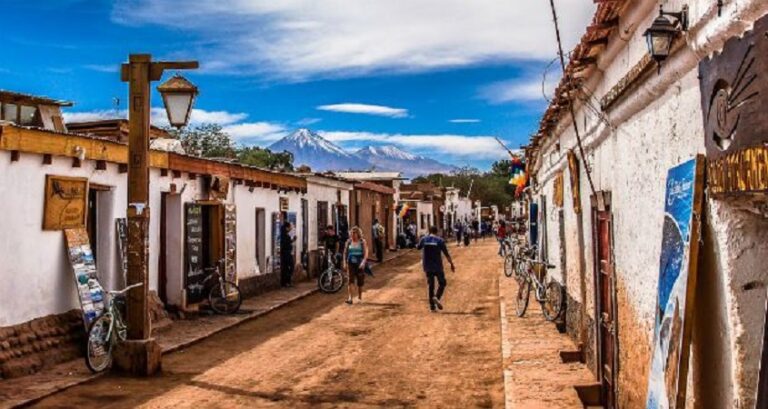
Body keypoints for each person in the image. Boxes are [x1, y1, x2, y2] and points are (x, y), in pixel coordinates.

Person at [417, 226, 455, 312]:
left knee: (431, 286)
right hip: (437, 266)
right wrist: (451, 264)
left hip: (427, 266)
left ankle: (432, 307)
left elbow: (418, 247)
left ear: (429, 231)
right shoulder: (440, 241)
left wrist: (421, 239)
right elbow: (446, 253)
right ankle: (436, 297)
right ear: (437, 232)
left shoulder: (424, 239)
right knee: (442, 283)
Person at [343, 226, 369, 304]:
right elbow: (345, 253)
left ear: (358, 234)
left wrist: (363, 262)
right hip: (350, 263)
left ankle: (360, 297)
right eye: (352, 234)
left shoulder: (362, 242)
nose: (353, 235)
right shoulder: (348, 242)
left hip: (359, 263)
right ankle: (350, 298)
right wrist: (344, 262)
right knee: (350, 280)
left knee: (360, 281)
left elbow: (365, 253)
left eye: (354, 234)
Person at [280, 221, 296, 287]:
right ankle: (286, 282)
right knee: (290, 267)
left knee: (287, 268)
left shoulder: (285, 234)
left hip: (287, 253)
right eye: (289, 227)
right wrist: (293, 240)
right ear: (287, 228)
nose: (290, 228)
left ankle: (287, 282)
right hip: (286, 253)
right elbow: (286, 243)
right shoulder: (284, 235)